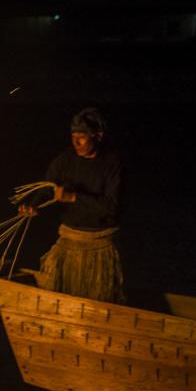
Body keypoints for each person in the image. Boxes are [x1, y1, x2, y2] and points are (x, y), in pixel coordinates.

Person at [19, 108, 125, 304]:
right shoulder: (64, 160)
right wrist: (32, 205)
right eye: (73, 136)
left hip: (99, 244)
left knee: (100, 301)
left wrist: (74, 198)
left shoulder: (112, 163)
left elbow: (112, 206)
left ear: (98, 136)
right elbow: (46, 188)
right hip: (68, 241)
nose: (76, 142)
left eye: (82, 137)